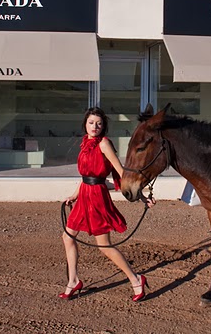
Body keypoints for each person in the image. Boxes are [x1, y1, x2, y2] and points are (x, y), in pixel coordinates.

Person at [60, 107, 155, 302]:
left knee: (104, 246)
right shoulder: (85, 143)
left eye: (99, 123)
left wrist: (142, 196)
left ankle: (136, 279)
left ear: (103, 127)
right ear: (85, 124)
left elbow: (121, 173)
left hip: (97, 199)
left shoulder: (104, 144)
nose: (95, 126)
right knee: (68, 237)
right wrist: (74, 195)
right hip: (84, 196)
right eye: (91, 122)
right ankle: (73, 280)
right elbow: (86, 176)